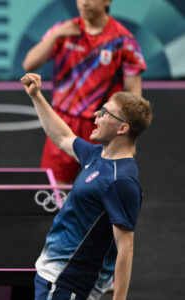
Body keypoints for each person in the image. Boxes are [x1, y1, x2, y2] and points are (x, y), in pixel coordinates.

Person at [21, 73, 152, 300]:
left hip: (69, 283)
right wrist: (37, 96)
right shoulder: (97, 155)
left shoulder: (119, 181)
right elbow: (63, 137)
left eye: (105, 113)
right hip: (54, 275)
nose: (96, 116)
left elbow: (126, 248)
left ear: (122, 129)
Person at [22, 0, 146, 184]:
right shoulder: (63, 30)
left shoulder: (123, 40)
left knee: (102, 188)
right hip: (62, 122)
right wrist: (56, 35)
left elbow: (134, 92)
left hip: (102, 124)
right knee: (54, 191)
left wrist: (131, 137)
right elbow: (29, 64)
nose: (84, 3)